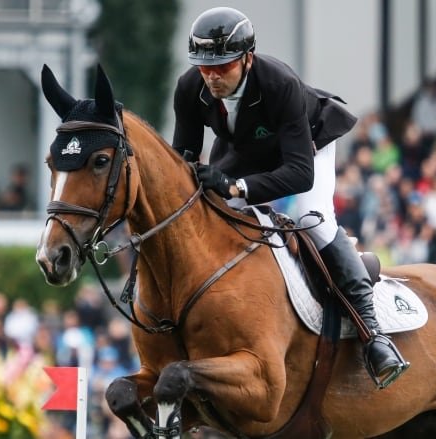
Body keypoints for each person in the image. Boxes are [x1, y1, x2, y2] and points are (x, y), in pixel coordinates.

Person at [171, 7, 408, 387]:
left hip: (307, 146)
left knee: (310, 219)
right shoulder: (190, 86)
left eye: (223, 66)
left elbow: (299, 173)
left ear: (247, 58)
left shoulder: (279, 83)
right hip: (249, 146)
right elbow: (182, 155)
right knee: (211, 211)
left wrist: (236, 188)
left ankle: (373, 334)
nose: (212, 76)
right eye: (204, 66)